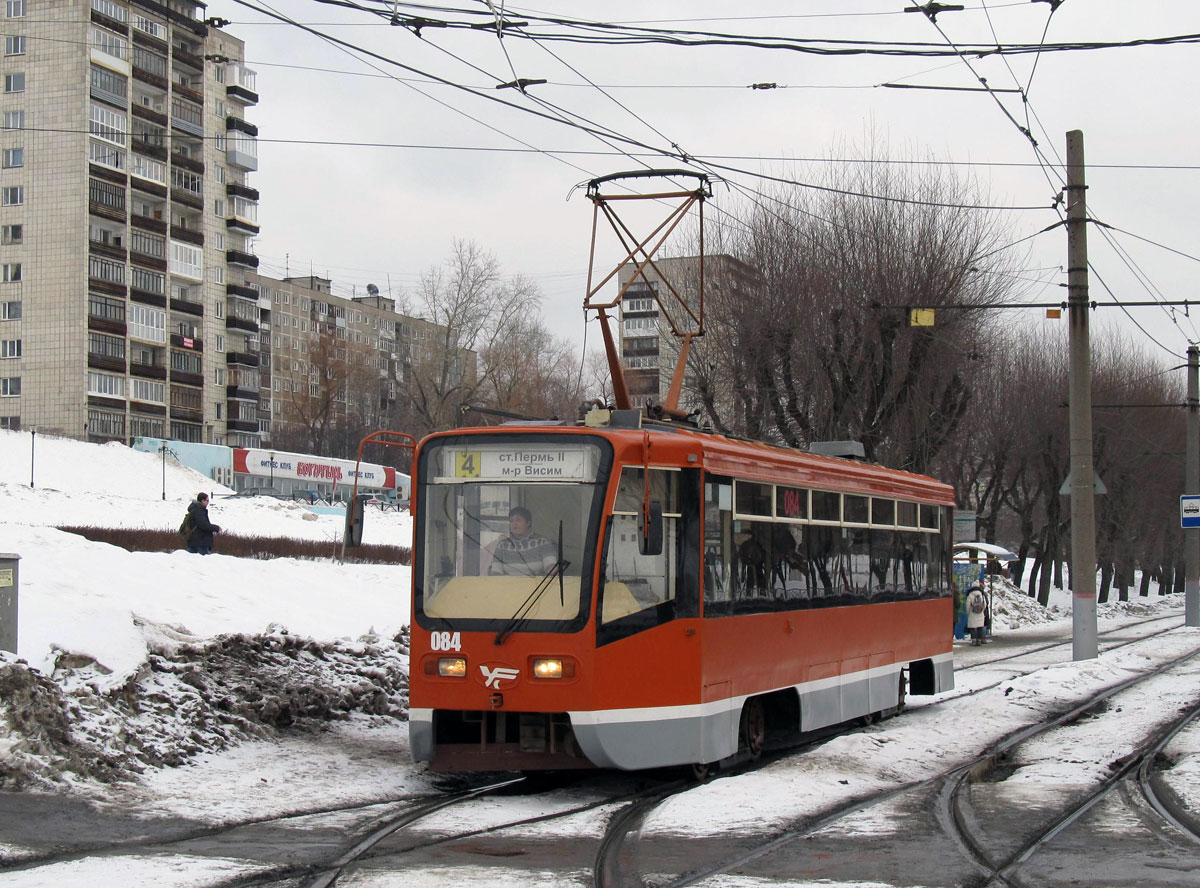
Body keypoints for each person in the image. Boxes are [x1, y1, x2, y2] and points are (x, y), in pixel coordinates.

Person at [489, 506, 557, 576]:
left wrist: (554, 570)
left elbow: (550, 566)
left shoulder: (543, 542)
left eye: (518, 520)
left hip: (538, 586)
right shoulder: (502, 545)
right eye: (511, 520)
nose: (514, 524)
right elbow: (496, 572)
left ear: (528, 523)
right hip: (509, 586)